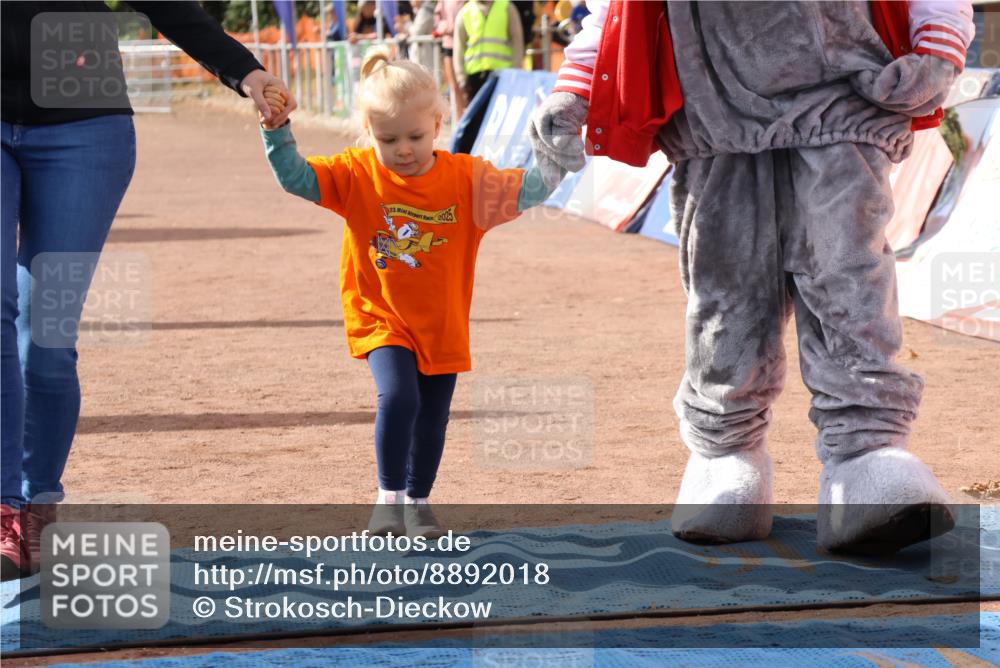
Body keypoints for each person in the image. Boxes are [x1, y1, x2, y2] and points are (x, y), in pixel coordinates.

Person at [530, 0, 974, 554]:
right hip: (714, 117)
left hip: (840, 101)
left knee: (847, 280)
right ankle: (726, 453)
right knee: (726, 293)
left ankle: (866, 455)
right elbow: (618, 10)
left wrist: (938, 39)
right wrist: (578, 87)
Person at [0, 1, 296, 581]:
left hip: (84, 128)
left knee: (47, 330)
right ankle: (4, 507)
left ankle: (38, 503)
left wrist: (247, 71)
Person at [258, 47, 558, 537]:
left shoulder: (466, 178)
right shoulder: (356, 174)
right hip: (382, 316)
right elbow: (297, 178)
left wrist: (556, 153)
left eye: (415, 136)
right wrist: (276, 131)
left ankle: (419, 502)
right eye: (387, 138)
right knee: (398, 398)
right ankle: (388, 500)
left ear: (437, 125)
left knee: (434, 418)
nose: (402, 149)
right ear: (368, 133)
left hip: (441, 325)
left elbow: (530, 189)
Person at [454, 0, 524, 104]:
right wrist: (461, 77)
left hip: (503, 75)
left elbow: (517, 40)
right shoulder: (465, 12)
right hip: (474, 77)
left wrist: (515, 69)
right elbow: (459, 47)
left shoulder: (507, 7)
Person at [433, 0, 467, 119]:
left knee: (466, 87)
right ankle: (459, 124)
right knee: (454, 87)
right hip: (449, 45)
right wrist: (443, 27)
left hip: (466, 46)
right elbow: (438, 20)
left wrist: (456, 27)